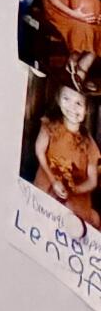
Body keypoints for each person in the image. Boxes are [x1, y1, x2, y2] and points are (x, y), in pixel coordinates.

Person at [41, 80, 101, 229]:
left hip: (74, 190)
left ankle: (93, 218)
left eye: (79, 104)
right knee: (45, 210)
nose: (72, 107)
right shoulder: (49, 126)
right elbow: (39, 151)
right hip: (48, 179)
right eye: (66, 98)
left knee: (73, 220)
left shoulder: (89, 144)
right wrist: (53, 180)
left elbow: (92, 181)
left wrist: (74, 190)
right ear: (58, 99)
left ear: (87, 110)